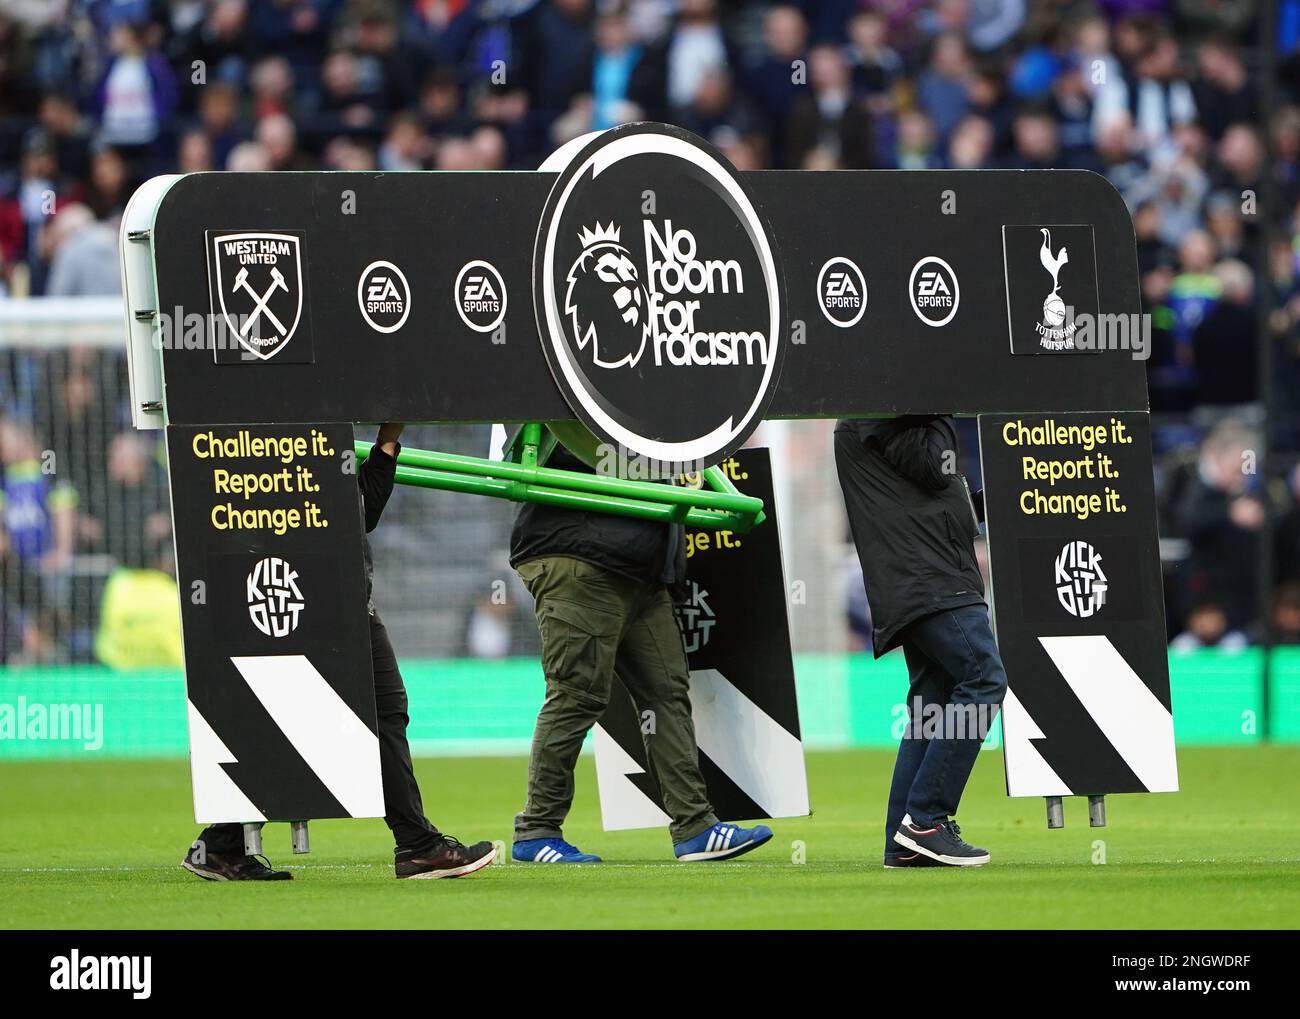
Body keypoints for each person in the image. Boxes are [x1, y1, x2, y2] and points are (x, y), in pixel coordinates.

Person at [183, 424, 496, 881]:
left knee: (306, 717)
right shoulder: (301, 438)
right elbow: (345, 514)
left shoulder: (306, 440)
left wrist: (387, 444)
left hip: (318, 592)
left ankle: (223, 843)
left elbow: (358, 512)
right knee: (378, 711)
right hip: (323, 595)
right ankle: (416, 845)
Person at [507, 436, 772, 863]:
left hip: (642, 567)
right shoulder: (569, 392)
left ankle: (696, 827)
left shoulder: (641, 400)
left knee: (666, 693)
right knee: (576, 695)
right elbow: (526, 448)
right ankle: (536, 829)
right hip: (582, 555)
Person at [834, 416, 1007, 868]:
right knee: (984, 678)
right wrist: (940, 412)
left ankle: (903, 840)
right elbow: (930, 467)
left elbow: (923, 495)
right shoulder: (891, 407)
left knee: (934, 701)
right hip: (929, 580)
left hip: (919, 576)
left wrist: (990, 501)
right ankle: (926, 820)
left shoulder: (878, 414)